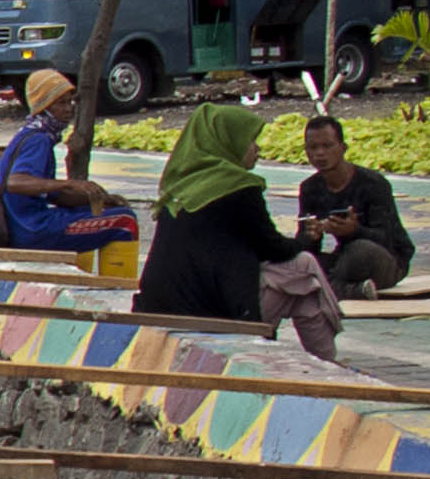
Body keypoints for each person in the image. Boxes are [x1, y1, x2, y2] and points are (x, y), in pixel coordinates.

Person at [138, 101, 341, 355]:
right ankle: (326, 362)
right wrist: (307, 238)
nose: (257, 149)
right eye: (250, 141)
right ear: (229, 142)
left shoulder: (181, 185)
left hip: (159, 307)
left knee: (304, 277)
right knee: (305, 271)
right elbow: (273, 248)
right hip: (209, 314)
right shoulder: (238, 188)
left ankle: (323, 362)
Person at [0, 68, 140, 253]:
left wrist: (100, 200)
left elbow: (53, 195)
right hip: (30, 228)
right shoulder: (39, 139)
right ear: (44, 106)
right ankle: (115, 282)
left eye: (70, 102)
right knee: (125, 221)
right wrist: (68, 183)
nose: (68, 108)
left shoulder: (31, 134)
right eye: (60, 103)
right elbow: (14, 182)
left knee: (107, 213)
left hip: (24, 224)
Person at [296, 113, 411, 297]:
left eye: (327, 146)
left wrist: (354, 230)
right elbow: (306, 245)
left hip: (385, 258)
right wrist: (312, 235)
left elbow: (388, 239)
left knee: (360, 250)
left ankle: (326, 288)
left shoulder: (373, 184)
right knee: (299, 263)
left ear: (343, 148)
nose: (320, 153)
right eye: (313, 147)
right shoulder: (310, 188)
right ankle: (350, 290)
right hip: (343, 258)